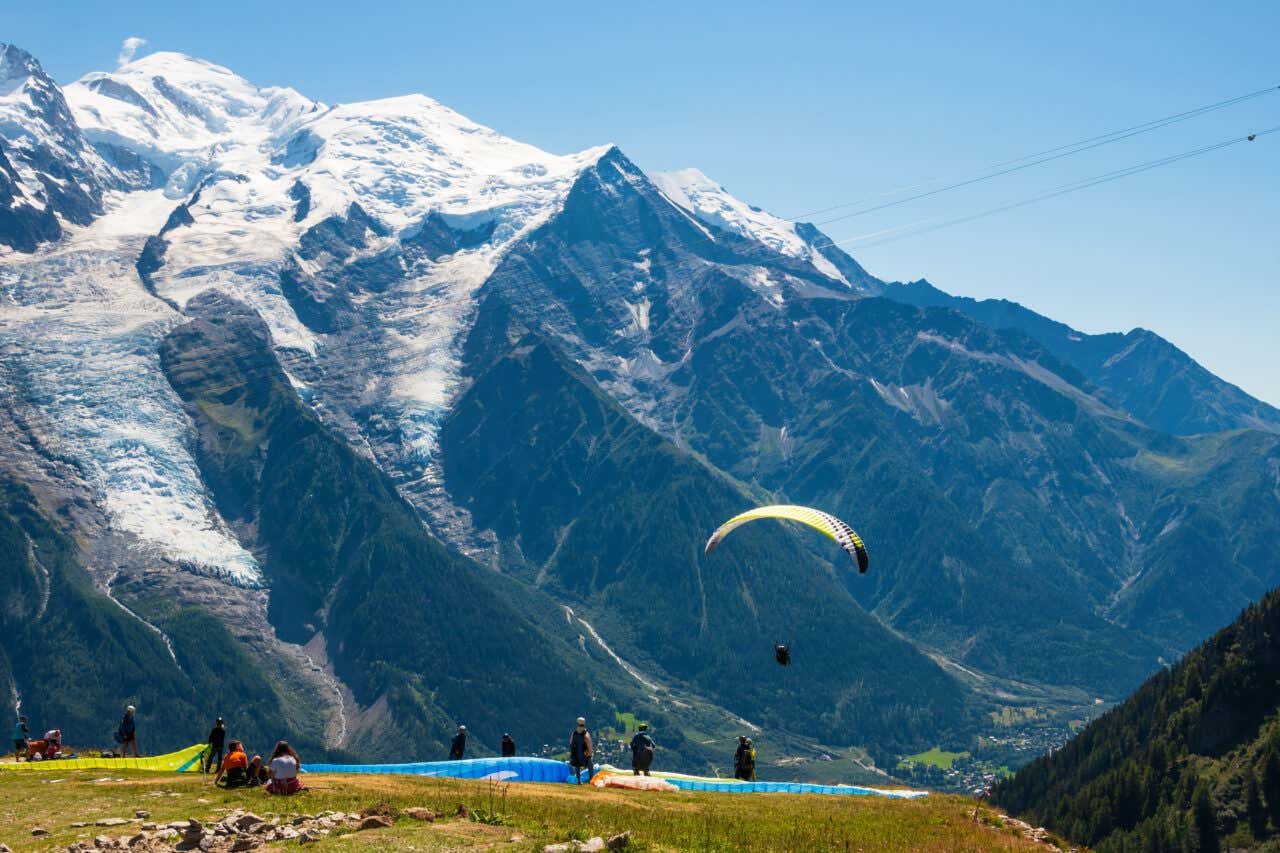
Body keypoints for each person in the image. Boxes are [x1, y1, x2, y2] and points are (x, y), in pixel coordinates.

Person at [568, 717, 593, 784]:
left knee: (577, 766)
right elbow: (589, 744)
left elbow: (571, 743)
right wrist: (590, 752)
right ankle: (591, 780)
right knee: (590, 765)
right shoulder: (586, 734)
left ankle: (579, 780)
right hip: (584, 754)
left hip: (576, 754)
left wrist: (572, 752)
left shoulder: (574, 733)